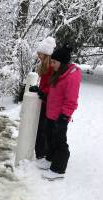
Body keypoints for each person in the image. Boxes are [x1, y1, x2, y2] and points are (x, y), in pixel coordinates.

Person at [37, 45, 82, 180]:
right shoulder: (59, 73)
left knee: (59, 142)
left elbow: (71, 100)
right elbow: (55, 93)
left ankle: (58, 170)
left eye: (54, 62)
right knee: (50, 137)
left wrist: (64, 117)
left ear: (61, 63)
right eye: (51, 61)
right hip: (51, 113)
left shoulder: (71, 77)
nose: (51, 64)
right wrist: (44, 95)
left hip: (60, 116)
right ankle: (50, 158)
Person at [29, 37, 56, 161]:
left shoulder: (51, 67)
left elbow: (53, 86)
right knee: (41, 127)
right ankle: (41, 151)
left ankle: (42, 153)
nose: (38, 56)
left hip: (48, 101)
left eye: (40, 54)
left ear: (46, 54)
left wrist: (41, 91)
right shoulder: (45, 66)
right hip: (44, 99)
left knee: (43, 128)